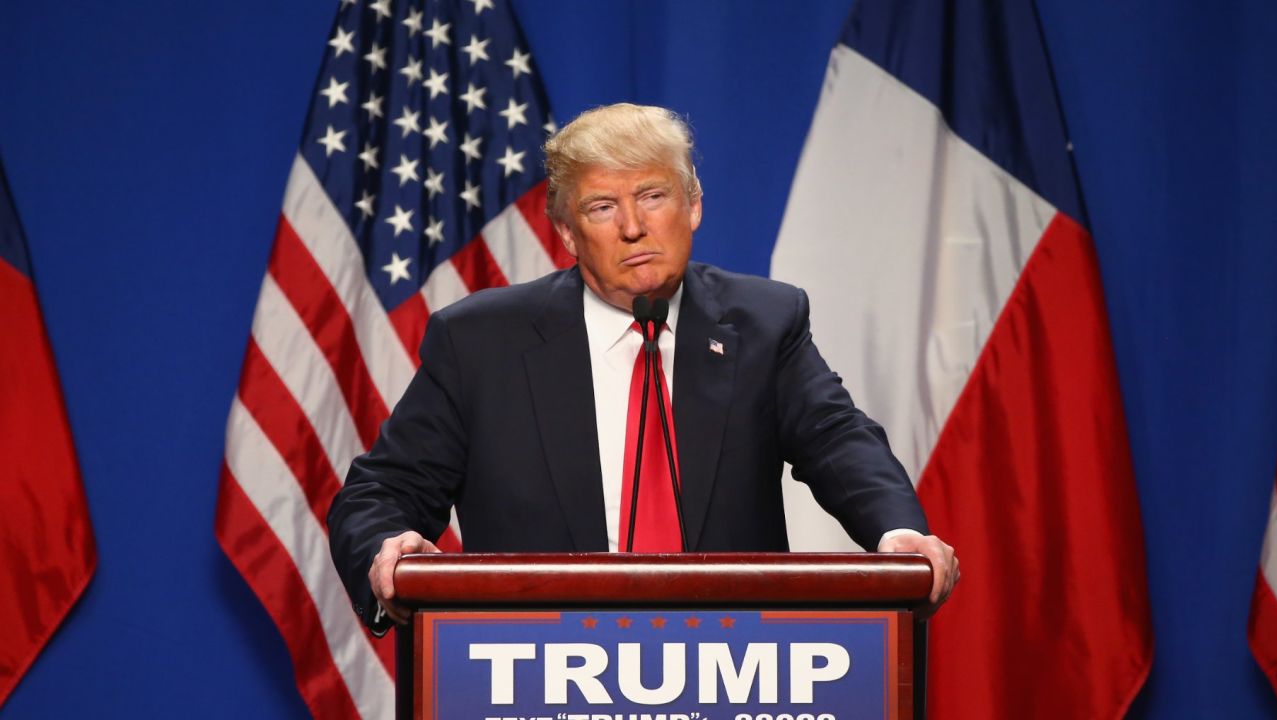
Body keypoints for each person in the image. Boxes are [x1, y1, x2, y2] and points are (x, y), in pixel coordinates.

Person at [328, 103, 958, 633]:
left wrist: (896, 534)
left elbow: (837, 440)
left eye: (653, 196)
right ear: (569, 234)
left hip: (734, 665)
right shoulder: (480, 342)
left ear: (693, 207)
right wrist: (390, 549)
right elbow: (382, 491)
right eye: (602, 207)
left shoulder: (765, 323)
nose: (633, 227)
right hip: (534, 668)